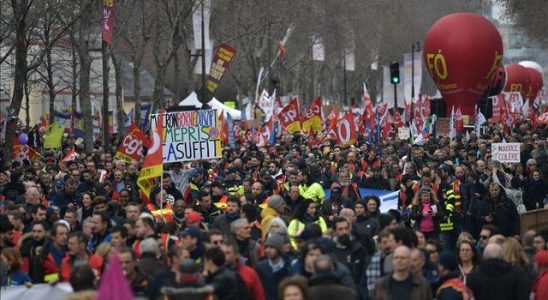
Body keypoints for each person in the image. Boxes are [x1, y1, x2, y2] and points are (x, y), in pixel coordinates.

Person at [255, 233, 292, 300]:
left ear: (279, 248)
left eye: (272, 247)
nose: (268, 250)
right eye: (266, 247)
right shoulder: (260, 267)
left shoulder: (289, 265)